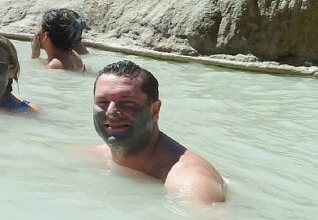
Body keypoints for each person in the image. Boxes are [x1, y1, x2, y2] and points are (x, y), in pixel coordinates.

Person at [92, 60, 226, 204]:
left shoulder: (191, 183)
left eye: (127, 103)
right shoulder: (95, 156)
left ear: (154, 110)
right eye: (102, 102)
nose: (111, 113)